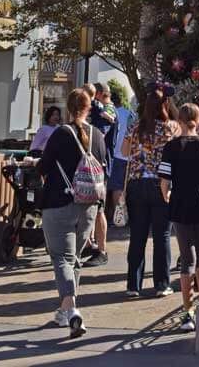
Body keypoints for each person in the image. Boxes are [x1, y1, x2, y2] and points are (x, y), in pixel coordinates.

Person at [38, 87, 107, 336]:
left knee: (61, 258)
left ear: (68, 108)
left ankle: (72, 309)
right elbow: (104, 171)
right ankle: (64, 311)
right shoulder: (97, 135)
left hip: (60, 202)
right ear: (89, 108)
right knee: (74, 257)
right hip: (88, 205)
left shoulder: (60, 134)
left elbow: (44, 166)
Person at [158, 103, 199, 331]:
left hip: (180, 207)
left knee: (187, 259)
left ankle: (187, 311)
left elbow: (164, 182)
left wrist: (167, 196)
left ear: (180, 120)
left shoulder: (171, 147)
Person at [121, 83, 180, 297]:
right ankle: (162, 284)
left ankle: (133, 286)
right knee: (162, 235)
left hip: (136, 185)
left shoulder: (135, 127)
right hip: (161, 185)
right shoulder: (171, 128)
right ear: (165, 104)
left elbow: (124, 151)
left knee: (137, 236)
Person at [82, 82, 117, 267]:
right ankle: (90, 244)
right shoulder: (100, 109)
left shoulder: (107, 109)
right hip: (93, 164)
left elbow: (101, 132)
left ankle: (101, 250)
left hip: (101, 165)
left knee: (98, 208)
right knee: (90, 206)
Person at [109, 87, 135, 207]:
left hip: (115, 155)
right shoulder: (130, 113)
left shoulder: (111, 113)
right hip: (129, 155)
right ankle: (124, 216)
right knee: (126, 187)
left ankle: (116, 217)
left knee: (116, 187)